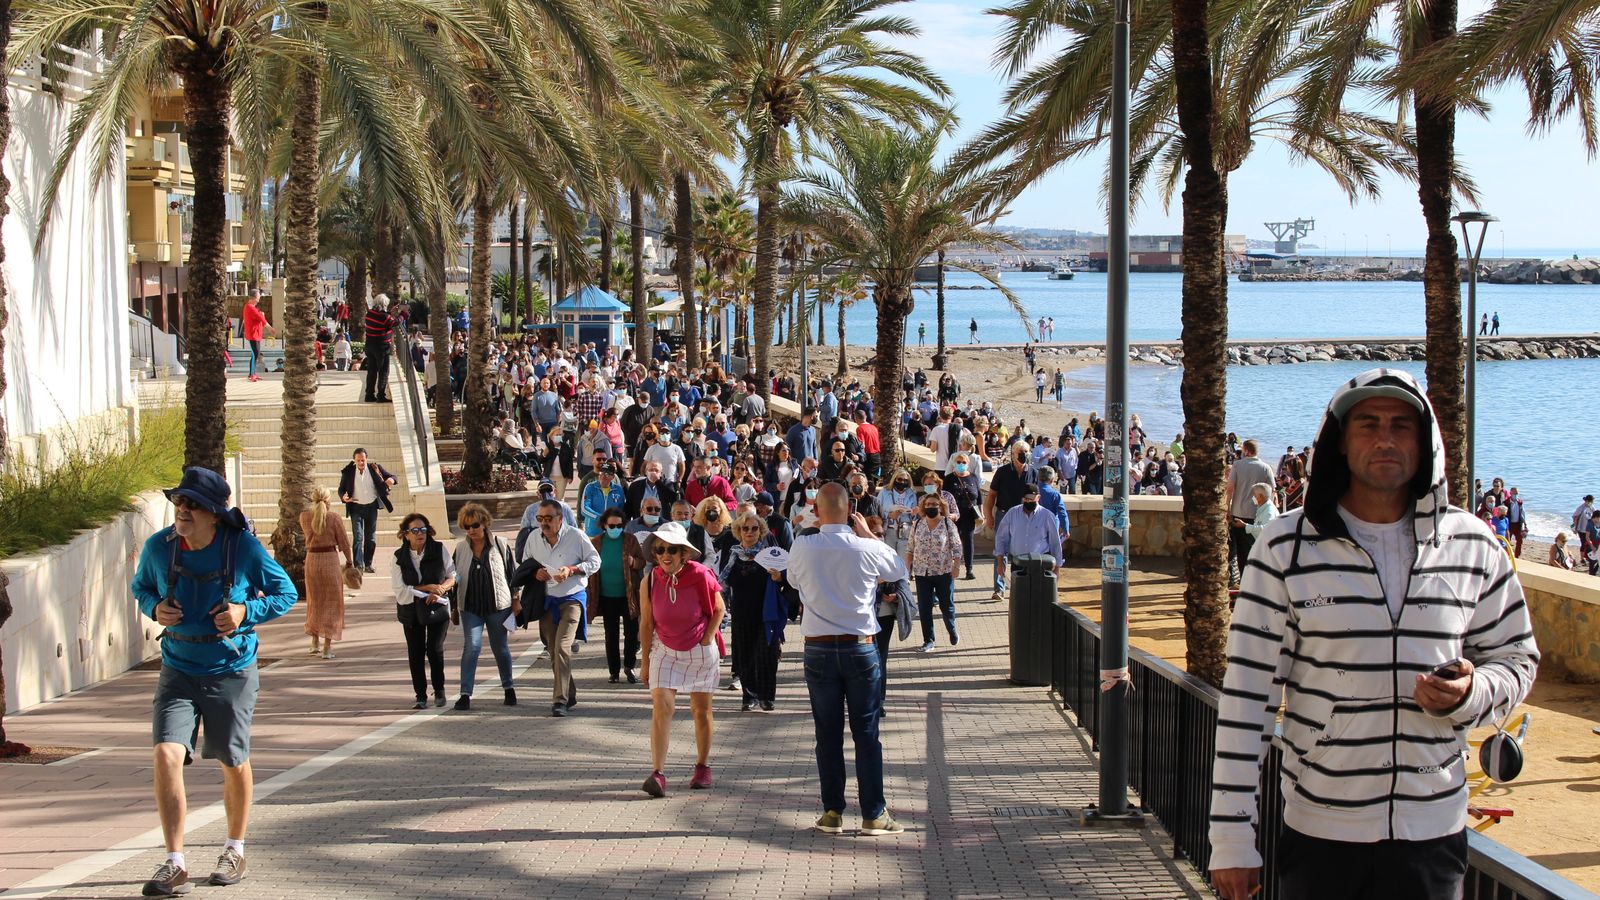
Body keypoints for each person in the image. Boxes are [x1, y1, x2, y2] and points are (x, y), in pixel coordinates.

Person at [1208, 368, 1539, 900]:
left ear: (1426, 441)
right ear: (1339, 443)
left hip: (1434, 833)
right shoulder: (1284, 548)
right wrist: (1230, 839)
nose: (1386, 438)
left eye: (1401, 425)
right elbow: (1248, 700)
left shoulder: (1473, 546)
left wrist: (1471, 693)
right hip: (1320, 834)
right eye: (1368, 424)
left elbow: (1517, 657)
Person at [131, 468, 298, 897]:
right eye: (179, 502)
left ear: (214, 514)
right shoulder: (160, 547)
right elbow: (141, 586)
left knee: (231, 759)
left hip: (231, 669)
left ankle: (234, 848)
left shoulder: (242, 548)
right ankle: (174, 861)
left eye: (192, 505)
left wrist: (246, 614)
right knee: (167, 754)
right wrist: (155, 606)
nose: (182, 510)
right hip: (178, 668)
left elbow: (286, 593)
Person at [787, 483, 912, 836]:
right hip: (860, 647)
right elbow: (898, 569)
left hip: (819, 648)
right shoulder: (865, 546)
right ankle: (873, 813)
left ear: (817, 509)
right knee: (867, 733)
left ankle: (832, 812)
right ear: (849, 509)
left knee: (827, 734)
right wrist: (868, 535)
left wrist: (811, 532)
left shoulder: (803, 545)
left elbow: (794, 581)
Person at [638, 521, 725, 797]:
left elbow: (719, 608)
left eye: (672, 550)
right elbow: (646, 623)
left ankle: (702, 766)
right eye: (660, 549)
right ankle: (658, 773)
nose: (665, 554)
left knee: (701, 711)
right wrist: (645, 662)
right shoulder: (650, 580)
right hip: (664, 648)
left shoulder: (701, 574)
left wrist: (708, 636)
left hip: (699, 647)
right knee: (661, 707)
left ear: (683, 553)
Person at [523, 499, 601, 717]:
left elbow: (595, 561)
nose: (544, 523)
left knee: (562, 647)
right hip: (546, 600)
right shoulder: (533, 538)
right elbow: (525, 563)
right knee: (553, 651)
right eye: (540, 519)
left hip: (572, 599)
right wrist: (534, 573)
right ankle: (569, 691)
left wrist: (573, 569)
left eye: (548, 519)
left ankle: (560, 701)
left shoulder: (576, 536)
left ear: (560, 518)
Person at [449, 504, 519, 710]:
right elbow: (454, 578)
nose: (471, 530)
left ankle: (509, 688)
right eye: (466, 527)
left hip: (498, 605)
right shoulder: (461, 548)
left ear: (485, 524)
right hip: (470, 606)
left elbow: (512, 575)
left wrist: (516, 600)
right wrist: (453, 607)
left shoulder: (500, 544)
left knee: (500, 648)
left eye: (475, 525)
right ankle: (465, 694)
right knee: (472, 647)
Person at [392, 513, 455, 710]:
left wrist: (441, 589)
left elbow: (452, 575)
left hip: (437, 605)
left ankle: (440, 690)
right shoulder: (398, 557)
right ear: (406, 534)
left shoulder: (438, 549)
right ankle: (420, 695)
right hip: (410, 610)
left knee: (435, 649)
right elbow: (400, 589)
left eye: (423, 530)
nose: (420, 534)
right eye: (415, 531)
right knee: (416, 652)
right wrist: (427, 588)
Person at [721, 512, 782, 711]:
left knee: (767, 655)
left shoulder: (771, 555)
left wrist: (778, 578)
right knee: (744, 656)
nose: (749, 532)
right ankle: (749, 696)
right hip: (741, 613)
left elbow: (788, 580)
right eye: (745, 528)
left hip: (766, 614)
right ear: (738, 531)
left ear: (761, 531)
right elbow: (721, 582)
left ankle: (767, 697)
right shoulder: (733, 554)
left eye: (754, 528)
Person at [589, 507, 643, 684]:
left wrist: (633, 562)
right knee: (610, 635)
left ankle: (629, 666)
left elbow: (642, 561)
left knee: (631, 633)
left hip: (628, 596)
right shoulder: (596, 542)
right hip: (606, 597)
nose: (615, 528)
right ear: (604, 525)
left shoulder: (630, 540)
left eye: (619, 525)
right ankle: (613, 671)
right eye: (611, 525)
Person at [298, 486, 352, 659]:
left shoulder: (304, 517)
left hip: (312, 560)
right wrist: (350, 562)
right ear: (329, 500)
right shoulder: (334, 518)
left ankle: (314, 642)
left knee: (314, 601)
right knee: (332, 602)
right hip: (329, 559)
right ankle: (327, 647)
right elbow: (344, 543)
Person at [907, 490, 961, 652]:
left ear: (940, 507)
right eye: (928, 504)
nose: (931, 507)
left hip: (943, 572)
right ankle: (928, 640)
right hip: (922, 572)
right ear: (923, 507)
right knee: (924, 607)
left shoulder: (947, 524)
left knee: (946, 605)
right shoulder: (917, 524)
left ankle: (952, 629)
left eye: (934, 504)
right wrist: (906, 569)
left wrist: (956, 566)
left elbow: (957, 546)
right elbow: (910, 548)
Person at [984, 442, 1039, 602]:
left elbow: (1036, 498)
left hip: (1025, 517)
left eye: (1027, 451)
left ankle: (1020, 587)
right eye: (1021, 451)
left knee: (1022, 551)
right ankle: (999, 589)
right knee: (1001, 552)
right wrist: (989, 516)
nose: (1024, 454)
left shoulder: (1033, 472)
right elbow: (992, 495)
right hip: (1004, 515)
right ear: (1013, 454)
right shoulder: (1002, 472)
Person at [1225, 439, 1275, 586]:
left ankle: (1245, 581)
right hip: (1258, 514)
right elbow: (1272, 489)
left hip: (1239, 512)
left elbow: (1230, 488)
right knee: (1258, 548)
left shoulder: (1238, 465)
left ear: (1246, 451)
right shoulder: (1265, 467)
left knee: (1241, 550)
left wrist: (1227, 507)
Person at [338, 448, 396, 574]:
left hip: (371, 507)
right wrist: (343, 497)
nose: (361, 463)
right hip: (356, 508)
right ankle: (359, 566)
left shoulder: (375, 468)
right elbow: (341, 489)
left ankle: (368, 564)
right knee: (358, 536)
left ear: (366, 459)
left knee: (371, 538)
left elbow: (393, 477)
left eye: (363, 460)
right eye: (358, 460)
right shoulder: (348, 472)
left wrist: (391, 480)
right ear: (354, 460)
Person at [994, 484, 1064, 577]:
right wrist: (1000, 562)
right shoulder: (1012, 513)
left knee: (1039, 591)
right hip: (1018, 563)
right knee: (1019, 591)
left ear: (1038, 497)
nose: (1028, 501)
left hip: (1040, 563)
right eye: (1026, 498)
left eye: (1031, 498)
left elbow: (1055, 542)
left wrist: (1057, 568)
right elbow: (1001, 538)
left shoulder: (1047, 516)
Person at [363, 295, 395, 403]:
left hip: (369, 346)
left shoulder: (370, 314)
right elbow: (394, 323)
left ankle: (369, 395)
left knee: (371, 371)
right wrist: (403, 314)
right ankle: (381, 395)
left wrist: (389, 313)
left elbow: (381, 319)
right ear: (383, 305)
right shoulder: (384, 317)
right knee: (383, 371)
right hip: (381, 347)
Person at [581, 462, 626, 537]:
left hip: (612, 531)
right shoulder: (590, 487)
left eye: (607, 474)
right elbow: (584, 509)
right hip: (593, 531)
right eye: (601, 472)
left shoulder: (618, 489)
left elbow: (620, 510)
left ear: (613, 477)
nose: (603, 476)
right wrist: (601, 518)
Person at [240, 291, 276, 382]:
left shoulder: (251, 307)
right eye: (258, 297)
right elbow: (261, 318)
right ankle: (252, 374)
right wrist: (270, 328)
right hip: (253, 335)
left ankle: (252, 373)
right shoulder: (250, 308)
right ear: (254, 298)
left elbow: (260, 317)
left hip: (255, 334)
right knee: (255, 354)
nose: (259, 299)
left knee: (255, 354)